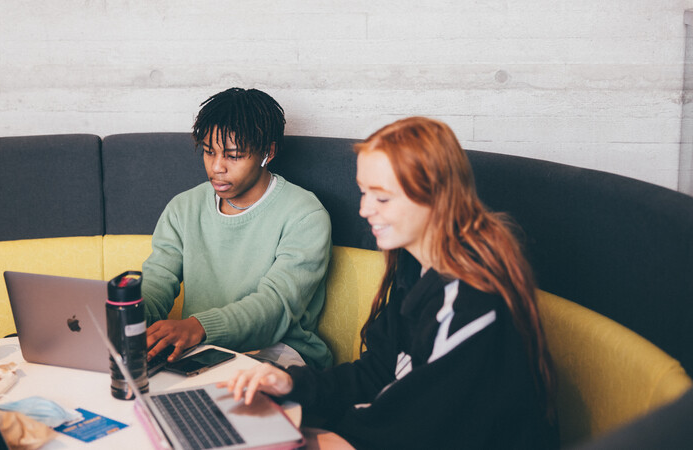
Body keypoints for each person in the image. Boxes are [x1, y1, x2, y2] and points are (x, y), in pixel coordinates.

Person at [224, 117, 559, 449]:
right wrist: (289, 384)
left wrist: (329, 438)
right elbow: (378, 373)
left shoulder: (472, 303)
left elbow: (425, 429)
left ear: (436, 198)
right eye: (364, 193)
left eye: (382, 198)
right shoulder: (414, 269)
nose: (364, 209)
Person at [141, 87, 333, 370]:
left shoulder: (305, 214)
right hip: (199, 354)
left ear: (267, 152)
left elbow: (275, 307)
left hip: (280, 356)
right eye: (208, 152)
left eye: (234, 155)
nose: (217, 167)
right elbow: (157, 280)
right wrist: (129, 317)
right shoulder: (184, 207)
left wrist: (197, 327)